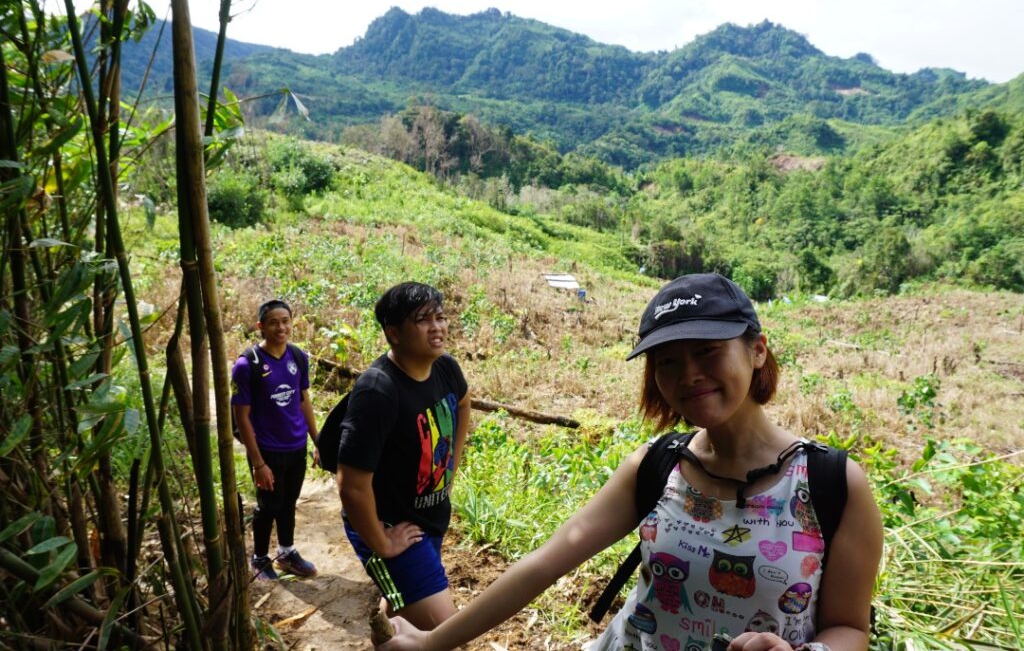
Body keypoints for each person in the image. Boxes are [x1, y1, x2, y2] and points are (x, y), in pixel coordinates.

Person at [378, 273, 883, 651]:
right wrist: (431, 643)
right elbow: (544, 565)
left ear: (756, 351)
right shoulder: (658, 466)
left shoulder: (830, 484)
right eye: (667, 361)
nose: (688, 376)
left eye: (707, 352)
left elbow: (849, 629)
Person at [337, 282, 472, 631]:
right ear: (393, 333)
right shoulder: (377, 391)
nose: (437, 327)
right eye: (423, 319)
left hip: (430, 519)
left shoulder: (446, 368)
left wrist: (450, 468)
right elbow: (351, 486)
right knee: (445, 631)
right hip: (389, 525)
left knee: (403, 616)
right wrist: (380, 542)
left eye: (440, 317)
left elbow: (463, 401)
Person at [231, 299, 319, 580]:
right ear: (260, 326)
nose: (281, 327)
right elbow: (242, 417)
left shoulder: (298, 357)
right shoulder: (247, 365)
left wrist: (317, 440)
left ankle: (286, 552)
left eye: (285, 321)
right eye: (273, 322)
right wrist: (258, 463)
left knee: (289, 501)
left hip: (296, 444)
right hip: (267, 449)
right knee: (268, 505)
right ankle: (259, 557)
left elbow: (304, 401)